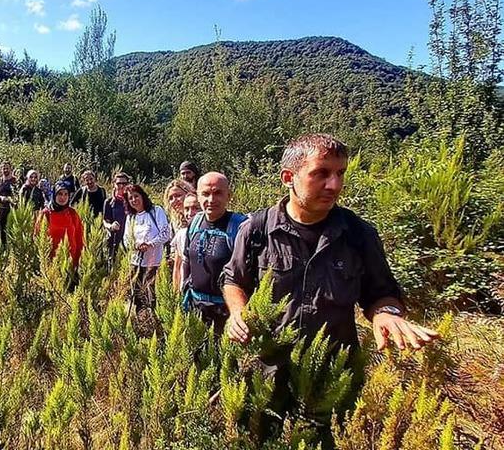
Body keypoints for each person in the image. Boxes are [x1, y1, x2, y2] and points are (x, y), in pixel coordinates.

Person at [222, 133, 439, 352]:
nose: (334, 185)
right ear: (288, 178)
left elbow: (381, 294)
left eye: (340, 173)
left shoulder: (358, 234)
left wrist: (386, 314)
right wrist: (238, 311)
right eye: (321, 173)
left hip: (335, 373)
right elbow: (234, 279)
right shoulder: (258, 228)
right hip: (268, 369)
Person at [179, 172, 247, 332]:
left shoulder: (240, 227)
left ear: (229, 195)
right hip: (195, 309)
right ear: (198, 196)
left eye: (218, 193)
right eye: (205, 194)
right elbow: (187, 261)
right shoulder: (195, 223)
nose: (211, 200)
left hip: (226, 313)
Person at [124, 184, 172, 312]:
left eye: (136, 196)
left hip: (154, 261)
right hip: (135, 262)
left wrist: (150, 244)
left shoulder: (156, 211)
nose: (134, 200)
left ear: (142, 196)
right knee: (135, 293)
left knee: (151, 293)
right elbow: (126, 238)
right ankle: (139, 318)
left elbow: (166, 233)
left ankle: (153, 318)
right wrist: (135, 245)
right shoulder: (131, 217)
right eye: (131, 198)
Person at [36, 181, 85, 267]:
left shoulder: (72, 213)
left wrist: (79, 260)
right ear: (54, 195)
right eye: (60, 194)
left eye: (66, 194)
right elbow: (37, 236)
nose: (63, 197)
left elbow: (79, 237)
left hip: (71, 260)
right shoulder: (46, 214)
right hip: (51, 262)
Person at [171, 190, 199, 293]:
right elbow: (177, 266)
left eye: (196, 208)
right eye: (187, 209)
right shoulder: (181, 234)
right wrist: (175, 291)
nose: (190, 213)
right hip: (185, 289)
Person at [163, 179, 196, 263]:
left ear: (188, 194)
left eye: (178, 195)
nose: (174, 200)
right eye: (170, 198)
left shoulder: (199, 215)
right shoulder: (174, 222)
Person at [103, 172, 131, 261]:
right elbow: (105, 221)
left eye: (124, 183)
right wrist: (110, 226)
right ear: (114, 184)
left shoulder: (132, 200)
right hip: (114, 240)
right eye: (119, 183)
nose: (121, 186)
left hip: (130, 240)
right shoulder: (109, 202)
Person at [0, 161, 18, 247]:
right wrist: (0, 197)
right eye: (4, 168)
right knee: (1, 230)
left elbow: (19, 193)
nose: (5, 170)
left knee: (12, 230)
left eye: (7, 168)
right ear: (1, 170)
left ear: (11, 169)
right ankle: (3, 249)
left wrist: (13, 199)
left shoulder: (15, 180)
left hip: (13, 209)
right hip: (2, 209)